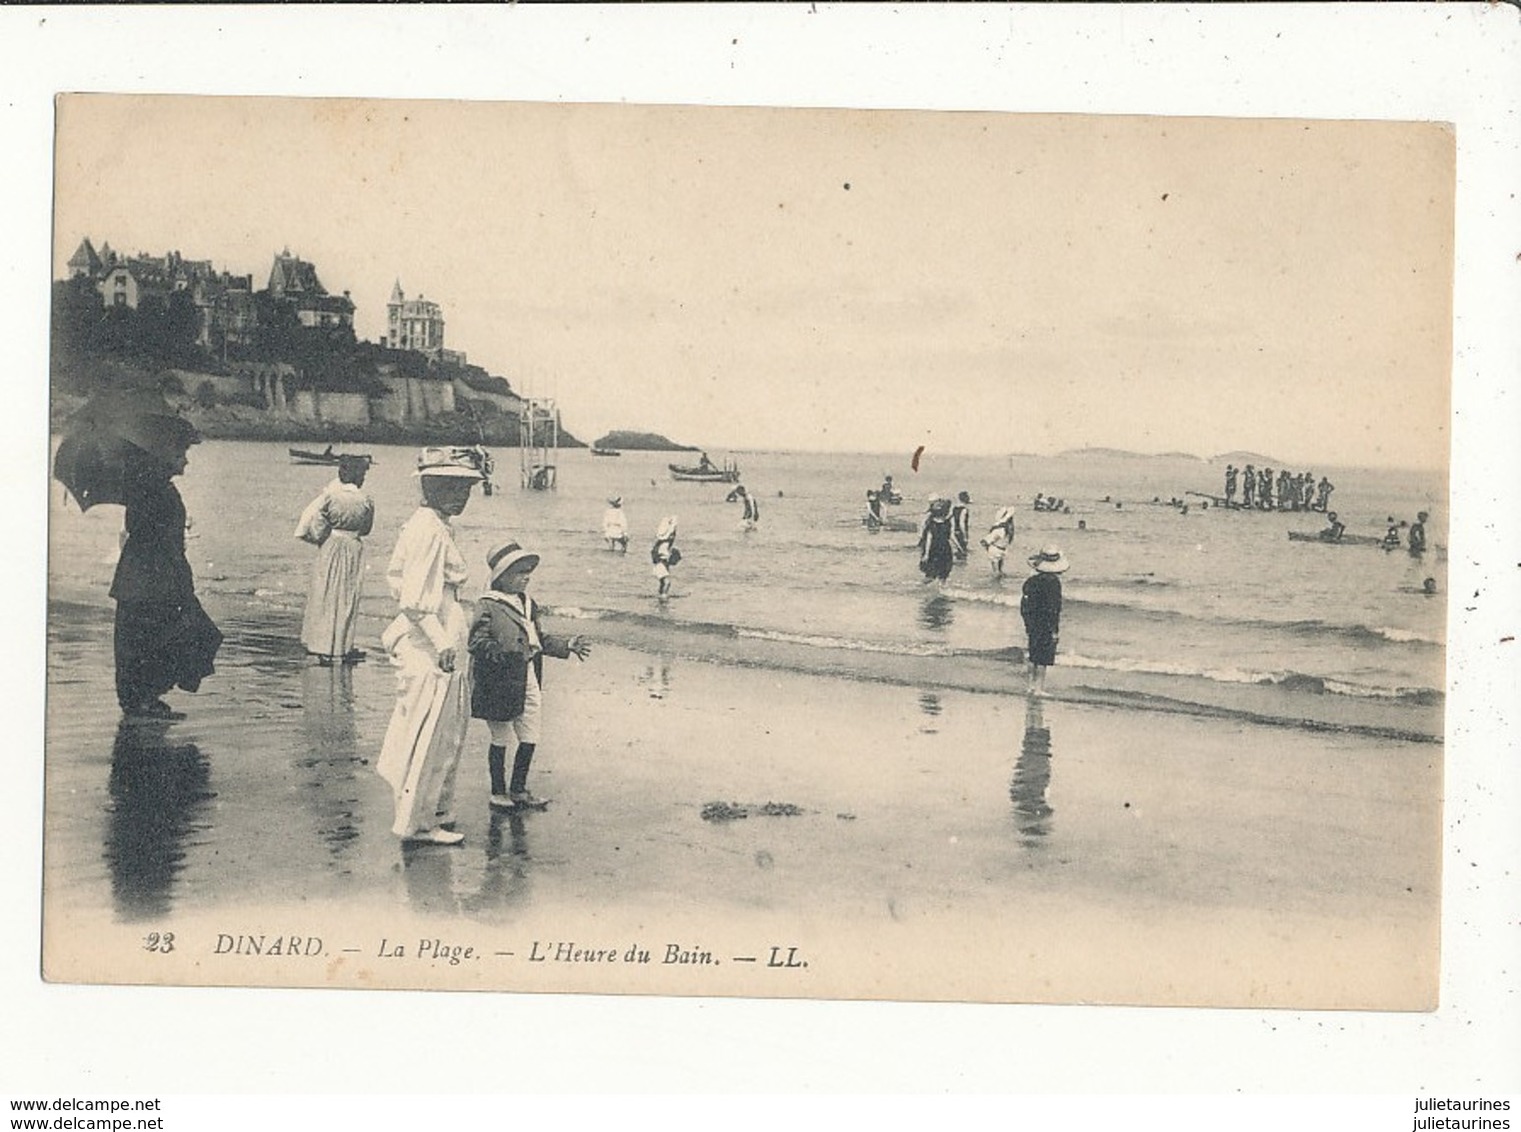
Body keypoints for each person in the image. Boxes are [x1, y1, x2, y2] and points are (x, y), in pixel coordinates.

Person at [375, 446, 487, 846]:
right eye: (453, 487)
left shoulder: (435, 526)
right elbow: (414, 600)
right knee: (428, 729)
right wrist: (441, 643)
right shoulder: (428, 530)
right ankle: (416, 822)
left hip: (441, 631)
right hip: (428, 640)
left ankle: (435, 809)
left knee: (445, 729)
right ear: (432, 486)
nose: (463, 496)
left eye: (467, 488)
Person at [110, 423, 221, 719]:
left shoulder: (152, 486)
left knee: (148, 635)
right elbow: (151, 533)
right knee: (156, 635)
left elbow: (142, 528)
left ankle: (142, 697)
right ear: (164, 455)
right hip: (154, 574)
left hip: (144, 573)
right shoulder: (153, 487)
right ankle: (141, 699)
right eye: (181, 453)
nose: (186, 460)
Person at [469, 541, 591, 812]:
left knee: (530, 731)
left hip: (527, 674)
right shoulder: (488, 605)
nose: (526, 577)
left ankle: (519, 788)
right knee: (500, 734)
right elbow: (477, 641)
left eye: (528, 572)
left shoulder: (528, 603)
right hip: (498, 679)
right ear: (502, 577)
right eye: (519, 572)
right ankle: (498, 792)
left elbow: (538, 638)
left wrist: (566, 646)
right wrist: (499, 653)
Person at [295, 455, 374, 664]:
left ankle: (321, 646)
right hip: (353, 547)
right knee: (347, 597)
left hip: (332, 545)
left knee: (325, 594)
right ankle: (342, 647)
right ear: (359, 476)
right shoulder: (366, 500)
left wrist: (320, 539)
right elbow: (366, 529)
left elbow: (319, 529)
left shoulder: (330, 497)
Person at [1020, 544, 1068, 697]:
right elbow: (1054, 609)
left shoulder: (1031, 581)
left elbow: (1024, 605)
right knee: (1043, 658)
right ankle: (1039, 688)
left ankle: (1030, 686)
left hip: (1033, 621)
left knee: (1033, 654)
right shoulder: (1054, 584)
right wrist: (1055, 630)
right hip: (1046, 623)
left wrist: (1027, 623)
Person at [918, 497, 955, 584]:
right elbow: (951, 537)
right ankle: (941, 589)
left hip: (934, 549)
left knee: (932, 574)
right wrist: (960, 548)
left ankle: (925, 587)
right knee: (943, 573)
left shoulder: (931, 522)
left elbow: (928, 539)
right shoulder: (947, 523)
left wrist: (926, 554)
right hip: (945, 549)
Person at [979, 506, 1017, 577]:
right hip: (1002, 550)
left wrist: (986, 546)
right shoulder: (1009, 528)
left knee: (995, 573)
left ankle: (996, 586)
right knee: (1000, 571)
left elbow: (986, 541)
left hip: (995, 550)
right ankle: (1000, 585)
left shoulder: (999, 529)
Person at [652, 515, 680, 599]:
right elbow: (660, 554)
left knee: (663, 582)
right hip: (660, 563)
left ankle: (660, 596)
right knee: (667, 582)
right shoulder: (663, 544)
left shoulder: (663, 543)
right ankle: (663, 597)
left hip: (662, 564)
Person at [950, 491, 972, 561]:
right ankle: (962, 568)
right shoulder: (964, 510)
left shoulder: (954, 509)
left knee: (958, 550)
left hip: (955, 531)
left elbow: (952, 521)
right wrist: (965, 535)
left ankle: (958, 568)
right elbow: (961, 523)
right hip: (960, 533)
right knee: (963, 553)